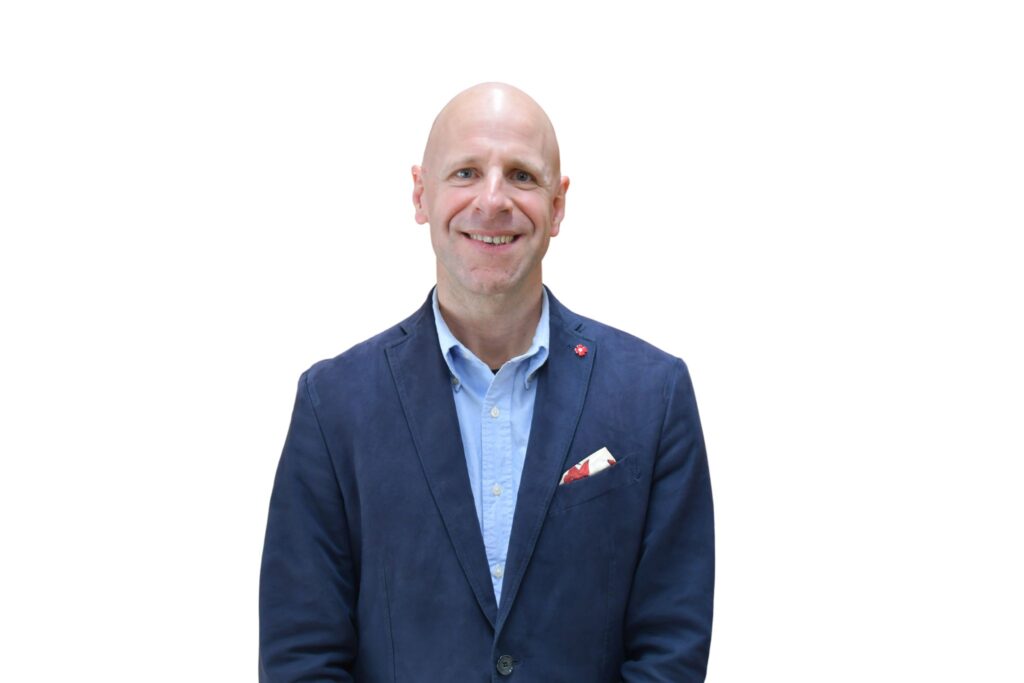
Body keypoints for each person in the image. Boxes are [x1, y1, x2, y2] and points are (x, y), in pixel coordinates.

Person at [259, 82, 715, 682]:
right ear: (421, 193)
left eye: (522, 176)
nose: (493, 200)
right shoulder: (334, 405)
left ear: (558, 205)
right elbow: (301, 656)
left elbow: (670, 647)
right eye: (466, 172)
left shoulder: (652, 395)